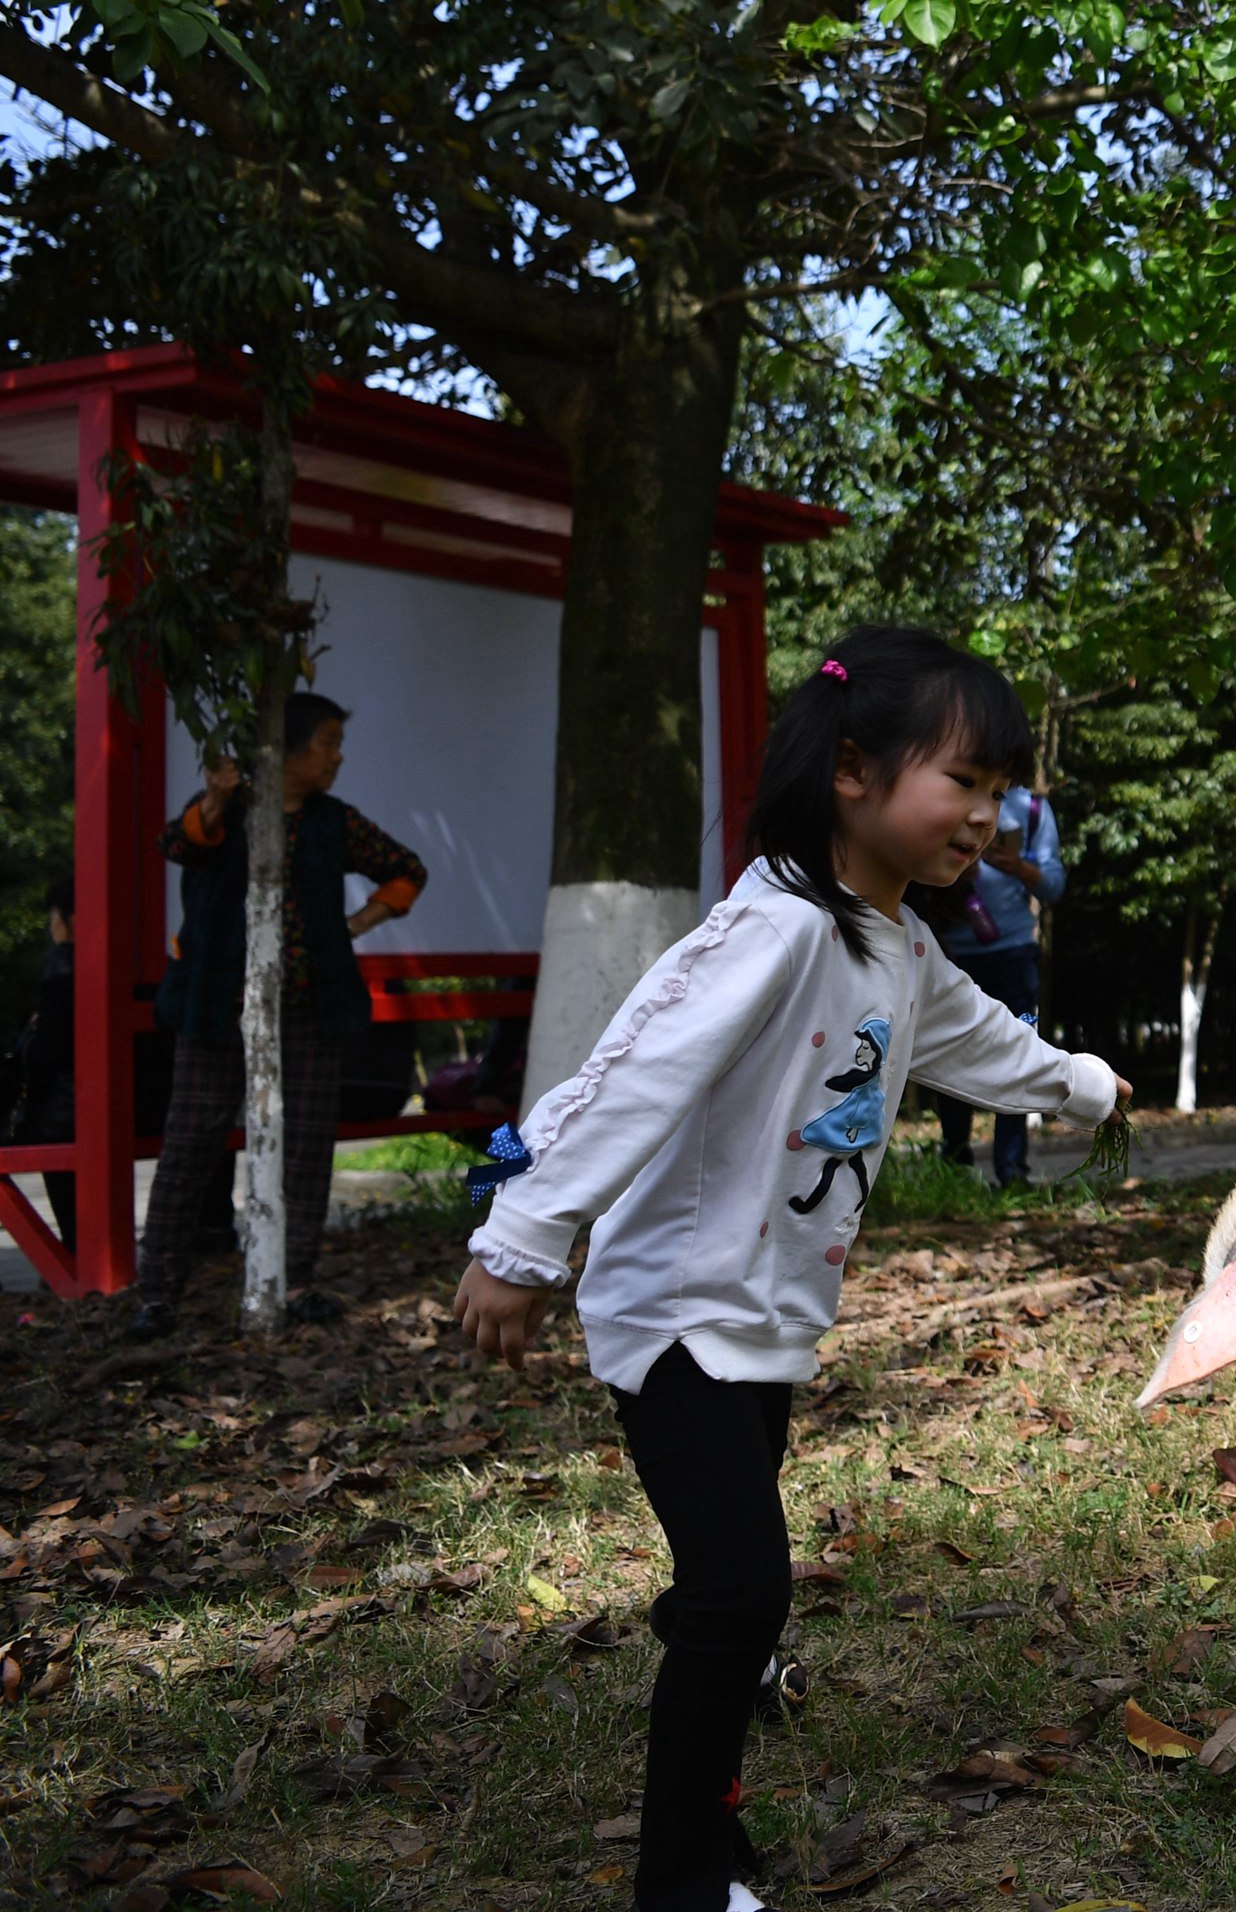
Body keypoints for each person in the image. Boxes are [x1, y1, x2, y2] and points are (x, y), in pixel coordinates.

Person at [450, 626, 1128, 1912]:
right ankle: (687, 1877)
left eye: (999, 793)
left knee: (733, 1588)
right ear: (856, 773)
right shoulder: (773, 930)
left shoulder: (900, 947)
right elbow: (634, 1071)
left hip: (768, 1320)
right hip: (675, 1319)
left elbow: (983, 1046)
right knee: (742, 1583)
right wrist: (522, 1237)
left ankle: (726, 1660)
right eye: (963, 783)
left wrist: (1087, 1087)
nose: (985, 817)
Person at [125, 692, 426, 1339]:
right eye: (327, 742)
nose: (337, 755)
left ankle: (296, 1282)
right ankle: (157, 1293)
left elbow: (405, 871)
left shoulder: (332, 821)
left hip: (311, 1010)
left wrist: (354, 925)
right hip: (217, 1006)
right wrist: (214, 798)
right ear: (288, 749)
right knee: (190, 1142)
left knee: (309, 1146)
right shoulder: (230, 813)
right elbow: (178, 842)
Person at [924, 774, 1065, 1187]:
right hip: (949, 951)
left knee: (1017, 1055)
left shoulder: (1033, 809)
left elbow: (1055, 885)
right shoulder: (941, 791)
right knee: (948, 1058)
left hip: (1013, 954)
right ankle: (954, 1166)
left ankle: (1012, 1172)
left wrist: (1019, 867)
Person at [9, 874, 73, 1256]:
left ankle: (73, 1255)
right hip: (145, 1108)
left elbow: (47, 1053)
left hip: (65, 1115)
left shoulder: (63, 970)